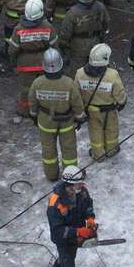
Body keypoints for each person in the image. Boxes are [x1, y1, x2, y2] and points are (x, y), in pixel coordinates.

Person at [30, 48, 87, 182]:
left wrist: (34, 116)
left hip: (45, 122)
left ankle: (51, 174)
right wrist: (80, 118)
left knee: (48, 150)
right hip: (66, 122)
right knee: (69, 150)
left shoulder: (37, 83)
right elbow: (77, 103)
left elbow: (32, 103)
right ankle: (71, 175)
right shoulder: (68, 83)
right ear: (60, 65)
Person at [46, 172, 97, 267]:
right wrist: (78, 231)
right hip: (64, 239)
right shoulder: (55, 202)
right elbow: (57, 232)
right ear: (68, 185)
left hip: (77, 233)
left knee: (67, 259)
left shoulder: (82, 192)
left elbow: (88, 205)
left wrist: (90, 219)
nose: (81, 187)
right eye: (78, 185)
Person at [76, 43, 127, 161]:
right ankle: (111, 149)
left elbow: (76, 95)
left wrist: (79, 111)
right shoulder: (112, 74)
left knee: (95, 132)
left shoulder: (80, 73)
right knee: (111, 130)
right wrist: (122, 102)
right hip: (109, 110)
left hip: (91, 111)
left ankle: (98, 154)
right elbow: (119, 94)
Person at [6, 0, 55, 116]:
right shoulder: (47, 26)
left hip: (25, 64)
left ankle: (25, 111)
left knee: (26, 89)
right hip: (44, 63)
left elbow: (12, 50)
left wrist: (13, 62)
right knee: (45, 87)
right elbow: (54, 46)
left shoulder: (18, 29)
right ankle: (45, 110)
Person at [58, 0, 107, 66]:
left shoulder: (72, 12)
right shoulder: (100, 7)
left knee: (79, 72)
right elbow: (105, 25)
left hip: (77, 47)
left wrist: (63, 45)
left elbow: (65, 33)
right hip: (96, 44)